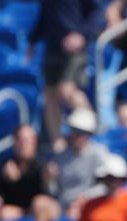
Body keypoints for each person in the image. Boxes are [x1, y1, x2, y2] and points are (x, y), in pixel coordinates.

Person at [29, 0, 100, 152]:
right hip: (52, 46)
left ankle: (90, 126)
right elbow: (44, 16)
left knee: (66, 89)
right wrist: (32, 40)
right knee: (49, 94)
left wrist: (82, 34)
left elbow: (96, 11)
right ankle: (57, 142)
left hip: (74, 49)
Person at [0, 124, 61, 221]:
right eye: (21, 140)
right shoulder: (6, 166)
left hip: (42, 210)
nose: (24, 144)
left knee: (39, 203)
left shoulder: (43, 165)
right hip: (18, 210)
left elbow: (52, 194)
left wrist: (48, 179)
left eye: (28, 140)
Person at [46, 108, 110, 209]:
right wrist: (50, 179)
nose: (76, 136)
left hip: (88, 205)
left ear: (89, 134)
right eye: (74, 131)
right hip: (62, 206)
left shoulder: (99, 154)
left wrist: (86, 196)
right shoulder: (60, 157)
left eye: (81, 132)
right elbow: (54, 191)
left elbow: (106, 186)